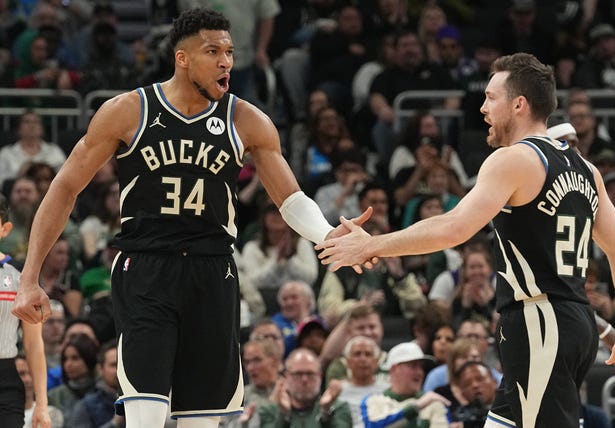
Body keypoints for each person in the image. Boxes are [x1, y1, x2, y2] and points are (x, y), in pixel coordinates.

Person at [11, 8, 371, 428]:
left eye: (231, 52)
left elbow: (289, 199)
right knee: (146, 413)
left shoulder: (246, 119)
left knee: (200, 419)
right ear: (182, 59)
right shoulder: (128, 111)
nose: (226, 62)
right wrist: (29, 277)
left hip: (213, 270)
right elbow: (64, 189)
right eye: (213, 51)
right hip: (145, 266)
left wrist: (329, 234)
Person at [316, 52, 615, 427]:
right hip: (571, 322)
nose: (483, 107)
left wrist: (371, 244)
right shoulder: (586, 169)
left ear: (519, 104)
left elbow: (455, 227)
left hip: (541, 322)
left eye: (491, 97)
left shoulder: (512, 160)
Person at [0, 193, 51, 428]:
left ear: (5, 228)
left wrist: (41, 403)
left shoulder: (21, 279)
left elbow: (33, 345)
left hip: (6, 379)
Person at [360, 341, 450, 427]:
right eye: (413, 366)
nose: (419, 372)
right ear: (394, 369)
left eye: (421, 367)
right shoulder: (373, 402)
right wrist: (415, 408)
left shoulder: (434, 403)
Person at [258, 348, 353, 427]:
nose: (304, 380)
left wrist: (326, 413)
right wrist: (284, 415)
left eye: (310, 374)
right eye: (298, 374)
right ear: (286, 378)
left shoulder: (338, 407)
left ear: (320, 376)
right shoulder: (269, 411)